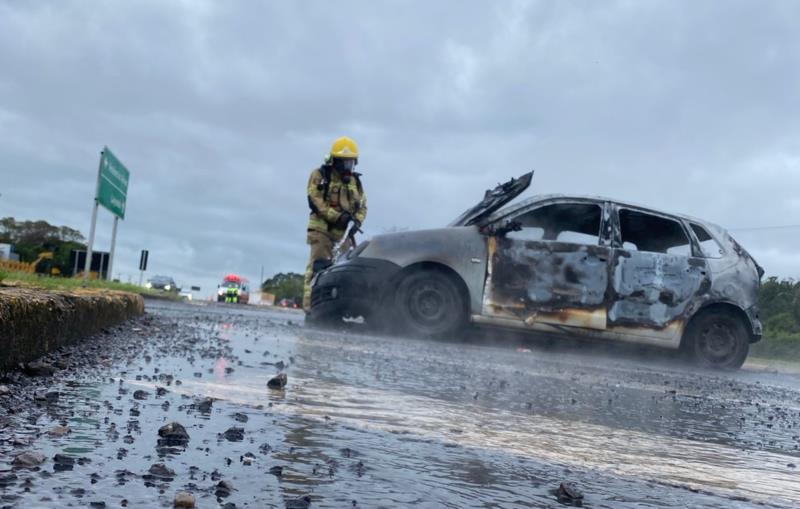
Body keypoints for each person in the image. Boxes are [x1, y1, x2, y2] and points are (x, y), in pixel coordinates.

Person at [302, 136, 367, 311]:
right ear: (334, 160)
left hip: (343, 234)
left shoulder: (355, 182)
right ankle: (311, 308)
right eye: (344, 162)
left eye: (351, 163)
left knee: (341, 270)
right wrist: (336, 216)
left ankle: (334, 308)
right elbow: (315, 200)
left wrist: (357, 222)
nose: (348, 167)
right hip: (321, 230)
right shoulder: (320, 176)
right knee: (318, 268)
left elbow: (363, 206)